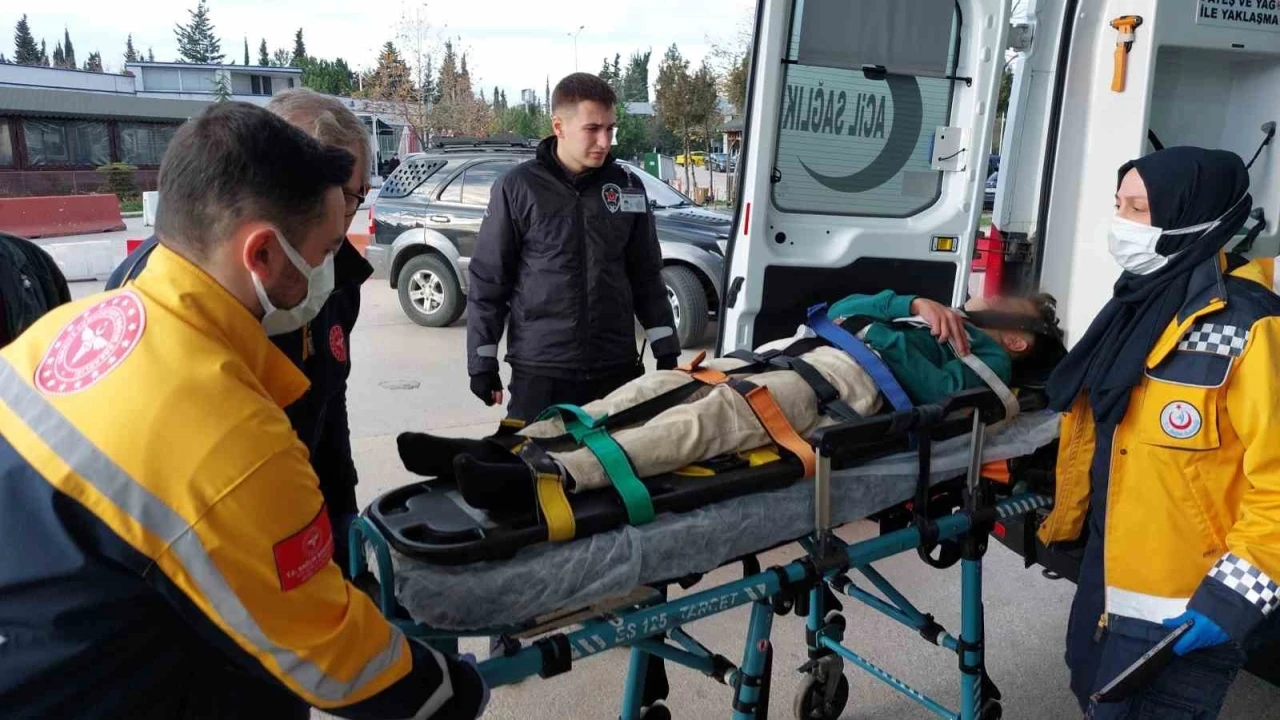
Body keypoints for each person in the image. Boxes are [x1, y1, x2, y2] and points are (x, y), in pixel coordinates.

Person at [0, 103, 485, 719]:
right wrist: (452, 689)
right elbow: (337, 659)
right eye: (325, 251)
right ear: (262, 255)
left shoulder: (71, 329)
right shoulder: (230, 437)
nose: (329, 273)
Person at [404, 289, 1061, 508]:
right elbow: (846, 308)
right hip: (789, 353)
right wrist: (910, 302)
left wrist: (895, 331)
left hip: (834, 388)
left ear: (1020, 337)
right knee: (657, 388)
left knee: (701, 424)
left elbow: (937, 394)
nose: (991, 296)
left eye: (1010, 304)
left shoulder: (993, 366)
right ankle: (507, 445)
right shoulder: (938, 316)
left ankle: (546, 477)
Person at [1040, 147, 1280, 719]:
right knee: (1095, 699)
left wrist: (1231, 601)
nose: (1121, 223)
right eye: (1118, 205)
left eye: (1138, 209)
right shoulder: (1137, 303)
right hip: (1108, 581)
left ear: (1191, 215)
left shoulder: (1249, 325)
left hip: (1186, 605)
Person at [105, 88, 372, 575]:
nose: (337, 216)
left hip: (299, 504)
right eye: (330, 194)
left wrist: (340, 514)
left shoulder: (336, 276)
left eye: (352, 196)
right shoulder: (153, 292)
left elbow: (331, 405)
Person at [466, 72, 679, 424]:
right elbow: (489, 279)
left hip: (616, 367)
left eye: (610, 129)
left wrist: (666, 347)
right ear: (559, 127)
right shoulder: (518, 188)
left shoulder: (627, 187)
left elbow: (646, 274)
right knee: (534, 456)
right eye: (592, 129)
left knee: (617, 457)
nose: (605, 141)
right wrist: (482, 361)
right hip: (541, 370)